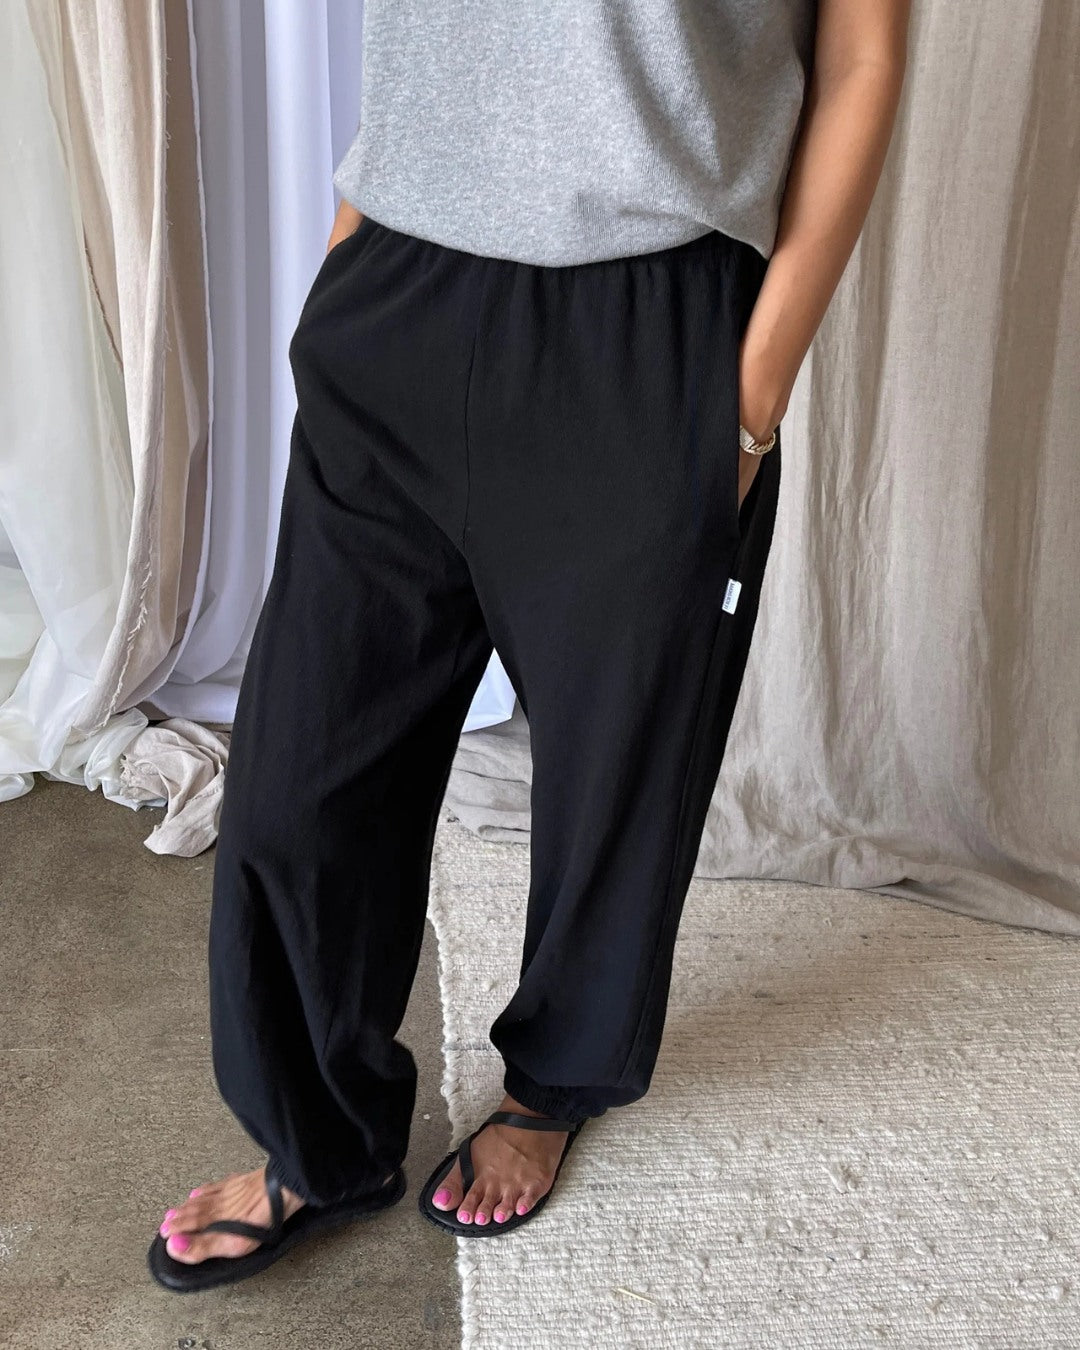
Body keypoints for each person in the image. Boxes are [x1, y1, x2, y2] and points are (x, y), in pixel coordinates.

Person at [148, 0, 911, 1291]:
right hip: (399, 284)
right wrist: (352, 238)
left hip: (648, 317)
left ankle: (552, 1085)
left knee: (620, 771)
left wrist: (751, 394)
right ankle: (316, 1135)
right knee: (300, 772)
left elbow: (863, 55)